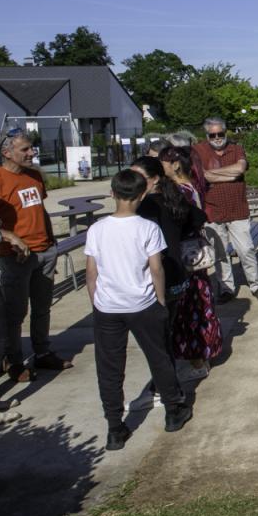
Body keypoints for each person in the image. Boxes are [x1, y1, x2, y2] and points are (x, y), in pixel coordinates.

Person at [85, 170, 192, 450]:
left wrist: (96, 300)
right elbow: (156, 269)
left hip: (107, 306)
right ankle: (173, 410)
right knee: (159, 358)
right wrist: (160, 301)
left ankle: (114, 427)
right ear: (142, 194)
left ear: (112, 193)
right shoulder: (147, 228)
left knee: (109, 367)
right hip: (143, 303)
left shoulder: (97, 229)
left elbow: (91, 272)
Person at [131, 156, 217, 390]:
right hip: (177, 276)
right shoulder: (174, 199)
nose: (133, 182)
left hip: (156, 278)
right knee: (169, 329)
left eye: (139, 178)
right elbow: (199, 218)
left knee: (159, 337)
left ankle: (164, 386)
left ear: (154, 179)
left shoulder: (144, 207)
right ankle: (168, 380)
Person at [0, 130, 72, 383]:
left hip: (45, 251)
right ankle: (14, 360)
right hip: (15, 257)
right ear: (7, 153)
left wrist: (52, 243)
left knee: (43, 308)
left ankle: (42, 352)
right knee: (15, 311)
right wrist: (11, 238)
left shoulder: (34, 176)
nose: (32, 153)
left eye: (32, 148)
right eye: (25, 150)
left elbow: (40, 211)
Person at [192, 117, 258, 303]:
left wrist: (212, 174)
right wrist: (228, 173)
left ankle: (256, 285)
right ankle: (226, 288)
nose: (217, 137)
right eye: (213, 134)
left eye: (221, 134)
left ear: (226, 132)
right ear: (207, 134)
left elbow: (239, 170)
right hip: (213, 211)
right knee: (220, 253)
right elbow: (201, 176)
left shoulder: (236, 148)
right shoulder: (198, 151)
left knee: (246, 249)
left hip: (237, 209)